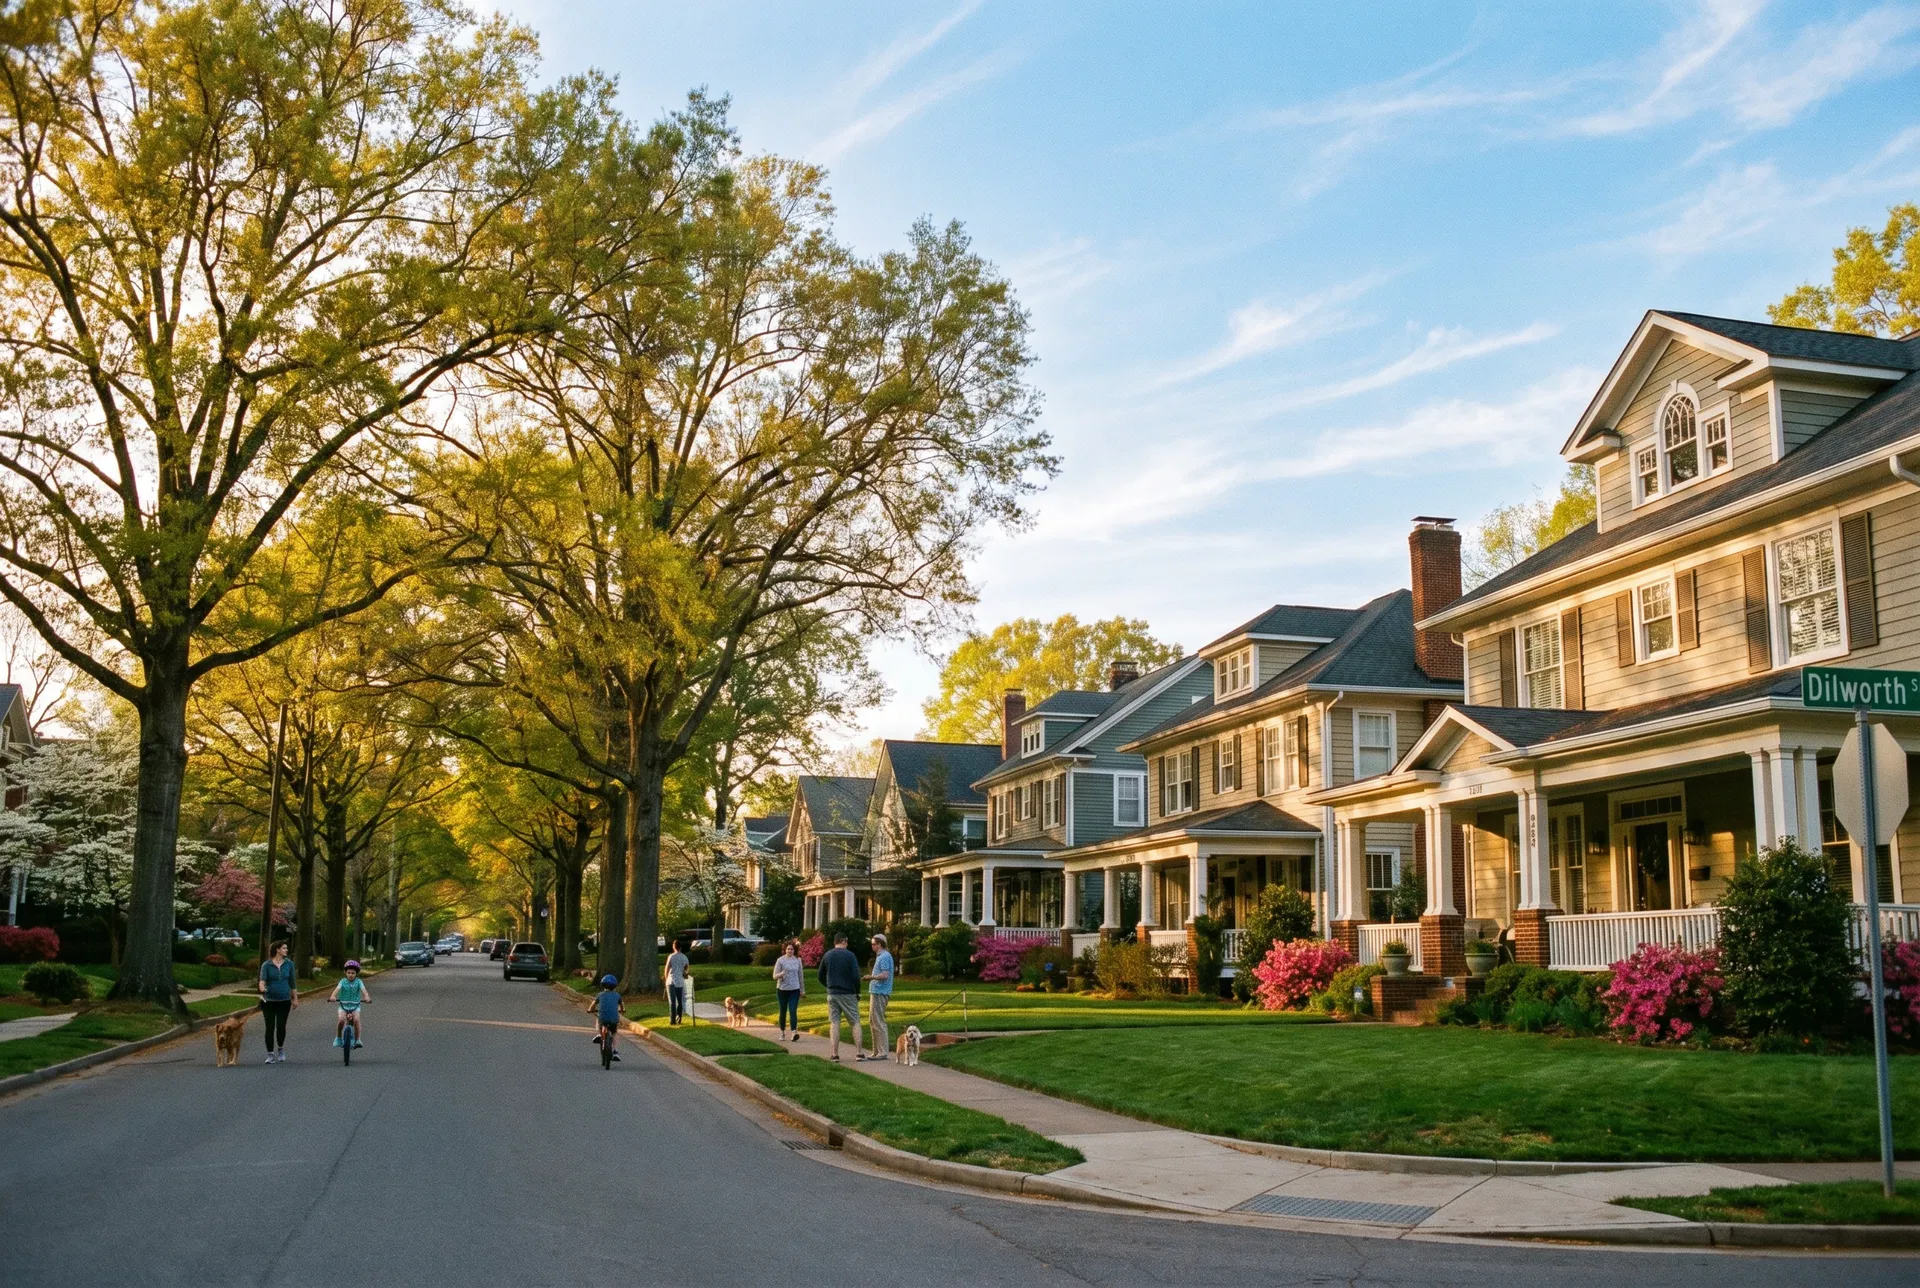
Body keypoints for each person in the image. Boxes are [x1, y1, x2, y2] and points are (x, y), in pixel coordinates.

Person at [817, 933, 861, 1061]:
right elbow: (856, 976)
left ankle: (835, 1054)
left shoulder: (827, 955)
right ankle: (859, 1053)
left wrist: (829, 985)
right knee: (855, 1021)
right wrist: (857, 992)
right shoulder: (850, 955)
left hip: (832, 993)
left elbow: (820, 975)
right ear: (844, 941)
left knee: (835, 1022)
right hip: (848, 993)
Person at [256, 940, 296, 1064]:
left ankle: (280, 1049)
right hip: (269, 1001)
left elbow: (292, 982)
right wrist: (262, 987)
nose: (286, 950)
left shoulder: (289, 964)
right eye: (284, 948)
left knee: (280, 1026)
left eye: (286, 948)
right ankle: (270, 1054)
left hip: (284, 1000)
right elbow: (262, 980)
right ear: (277, 950)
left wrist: (295, 998)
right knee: (269, 1027)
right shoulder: (266, 965)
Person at [865, 932, 893, 1061]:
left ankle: (882, 1051)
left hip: (881, 992)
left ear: (880, 944)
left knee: (878, 1021)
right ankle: (876, 1050)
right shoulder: (880, 956)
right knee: (873, 1021)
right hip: (876, 991)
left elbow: (885, 975)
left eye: (874, 944)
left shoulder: (885, 956)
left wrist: (871, 977)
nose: (872, 946)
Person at [330, 961, 370, 1048]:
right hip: (343, 1006)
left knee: (356, 1020)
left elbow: (364, 991)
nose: (350, 975)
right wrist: (333, 996)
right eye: (348, 972)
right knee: (341, 1020)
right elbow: (337, 989)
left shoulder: (359, 982)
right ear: (345, 972)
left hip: (355, 1006)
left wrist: (366, 997)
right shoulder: (342, 981)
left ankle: (357, 1039)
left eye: (353, 973)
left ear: (356, 973)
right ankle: (338, 1038)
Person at [772, 940, 804, 1042]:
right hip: (782, 990)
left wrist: (802, 990)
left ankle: (794, 1032)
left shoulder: (798, 961)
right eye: (788, 949)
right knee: (783, 1011)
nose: (790, 950)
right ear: (785, 950)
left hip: (795, 989)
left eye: (792, 949)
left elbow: (800, 976)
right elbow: (774, 976)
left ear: (794, 950)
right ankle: (782, 1032)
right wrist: (781, 974)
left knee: (793, 1010)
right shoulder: (780, 960)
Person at [592, 974, 623, 1061]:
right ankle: (615, 1051)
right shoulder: (617, 995)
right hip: (614, 1019)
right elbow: (622, 1006)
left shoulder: (600, 995)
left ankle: (599, 1034)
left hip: (603, 1018)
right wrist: (622, 1010)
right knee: (614, 1033)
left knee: (599, 1019)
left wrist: (590, 1010)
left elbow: (593, 1005)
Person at [664, 941, 690, 1025]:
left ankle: (672, 1020)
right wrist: (684, 973)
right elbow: (686, 970)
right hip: (680, 981)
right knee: (680, 1000)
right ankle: (679, 1016)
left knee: (672, 1001)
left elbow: (667, 968)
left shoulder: (671, 956)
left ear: (674, 947)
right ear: (680, 947)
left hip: (671, 981)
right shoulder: (685, 957)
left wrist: (665, 978)